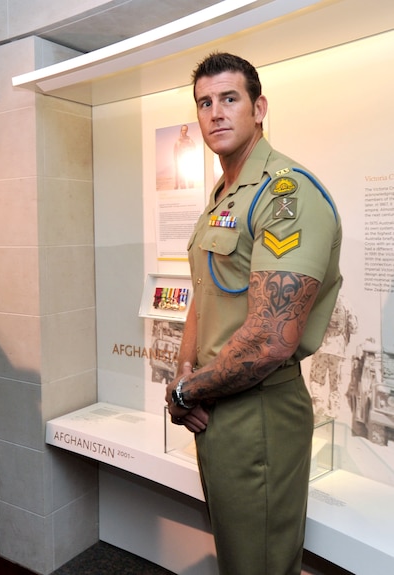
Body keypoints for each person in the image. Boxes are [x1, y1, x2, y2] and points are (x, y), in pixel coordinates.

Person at [165, 52, 342, 575]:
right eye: (204, 102)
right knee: (238, 556)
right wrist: (182, 370)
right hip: (216, 403)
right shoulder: (225, 194)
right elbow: (205, 291)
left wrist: (185, 393)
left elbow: (270, 340)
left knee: (258, 564)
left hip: (258, 410)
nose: (215, 112)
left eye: (229, 99)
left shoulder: (286, 193)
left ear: (258, 108)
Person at [309, 294, 357, 420]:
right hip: (338, 349)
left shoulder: (322, 299)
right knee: (335, 383)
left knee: (316, 378)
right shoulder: (346, 302)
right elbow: (354, 328)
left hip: (322, 346)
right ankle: (333, 410)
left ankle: (318, 403)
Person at [173, 123, 196, 188]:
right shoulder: (178, 141)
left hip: (189, 162)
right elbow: (175, 152)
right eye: (183, 130)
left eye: (185, 130)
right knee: (181, 180)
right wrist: (176, 161)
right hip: (180, 162)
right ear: (181, 131)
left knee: (190, 180)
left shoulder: (190, 140)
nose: (184, 132)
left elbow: (194, 149)